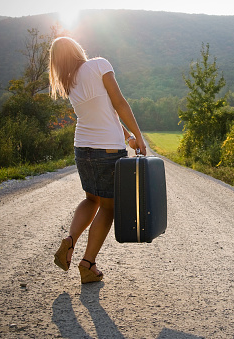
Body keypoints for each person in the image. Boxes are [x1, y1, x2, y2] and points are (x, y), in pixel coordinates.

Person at [49, 36, 146, 284]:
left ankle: (70, 241)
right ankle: (88, 263)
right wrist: (139, 137)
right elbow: (119, 103)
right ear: (76, 49)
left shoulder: (68, 83)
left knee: (91, 199)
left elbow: (106, 112)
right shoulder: (99, 64)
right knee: (108, 207)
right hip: (108, 151)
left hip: (82, 148)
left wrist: (129, 138)